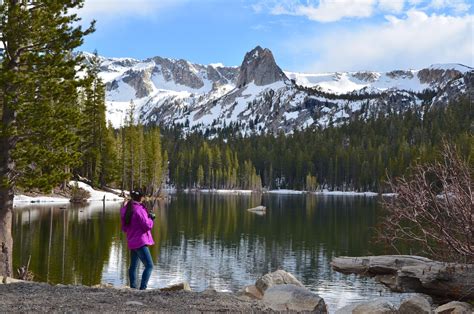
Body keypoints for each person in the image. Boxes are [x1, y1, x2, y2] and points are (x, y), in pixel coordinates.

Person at [120, 190, 156, 290]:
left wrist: (147, 217)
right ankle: (142, 289)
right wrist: (151, 219)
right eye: (143, 197)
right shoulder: (139, 210)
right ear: (141, 198)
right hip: (140, 242)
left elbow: (124, 228)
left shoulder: (126, 209)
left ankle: (133, 288)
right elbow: (147, 226)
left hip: (132, 241)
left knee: (133, 266)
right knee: (149, 266)